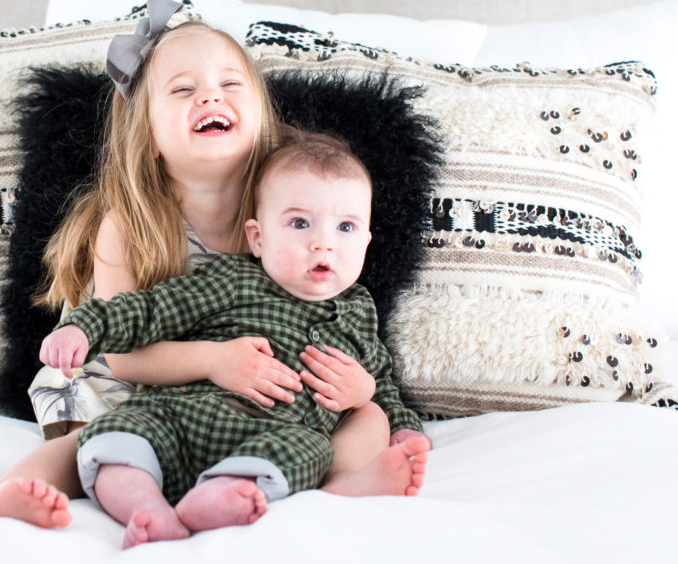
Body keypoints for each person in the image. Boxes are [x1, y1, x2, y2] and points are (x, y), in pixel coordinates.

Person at [0, 0, 428, 529]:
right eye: (183, 90)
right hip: (127, 372)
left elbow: (345, 329)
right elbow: (123, 358)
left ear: (258, 113)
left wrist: (369, 396)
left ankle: (344, 485)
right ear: (150, 134)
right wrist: (214, 362)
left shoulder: (289, 209)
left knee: (362, 412)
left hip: (246, 393)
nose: (211, 94)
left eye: (231, 85)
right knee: (91, 436)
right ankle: (17, 491)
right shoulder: (130, 223)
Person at [38, 129, 428, 547]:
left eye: (346, 227)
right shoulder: (233, 279)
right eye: (300, 223)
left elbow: (382, 379)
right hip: (189, 411)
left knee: (309, 450)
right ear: (257, 238)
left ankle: (220, 496)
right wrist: (85, 325)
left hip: (280, 431)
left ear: (367, 242)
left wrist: (400, 425)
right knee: (119, 431)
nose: (324, 244)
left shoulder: (359, 310)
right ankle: (143, 507)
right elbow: (151, 309)